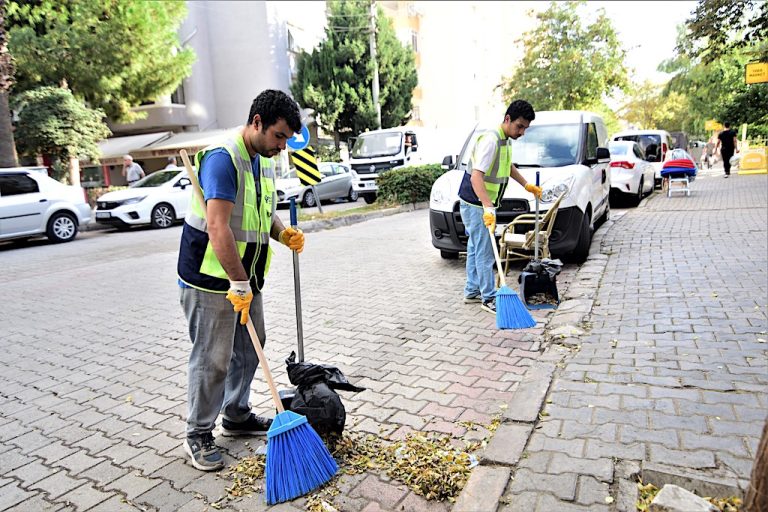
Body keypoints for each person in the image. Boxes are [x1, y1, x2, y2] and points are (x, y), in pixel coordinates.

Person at [176, 89, 305, 471]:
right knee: (212, 357)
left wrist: (282, 234)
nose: (282, 146)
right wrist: (238, 283)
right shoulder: (223, 158)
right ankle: (198, 432)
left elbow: (262, 213)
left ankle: (236, 413)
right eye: (279, 136)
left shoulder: (263, 159)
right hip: (210, 278)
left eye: (287, 139)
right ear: (257, 123)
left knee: (252, 348)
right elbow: (217, 227)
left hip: (244, 276)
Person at [458, 99, 541, 315]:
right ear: (507, 119)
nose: (522, 132)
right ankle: (489, 297)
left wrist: (527, 185)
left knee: (475, 248)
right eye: (519, 126)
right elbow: (476, 177)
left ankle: (472, 291)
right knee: (485, 252)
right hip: (475, 202)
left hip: (481, 202)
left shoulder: (506, 140)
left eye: (525, 128)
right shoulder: (491, 140)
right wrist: (487, 206)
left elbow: (508, 167)